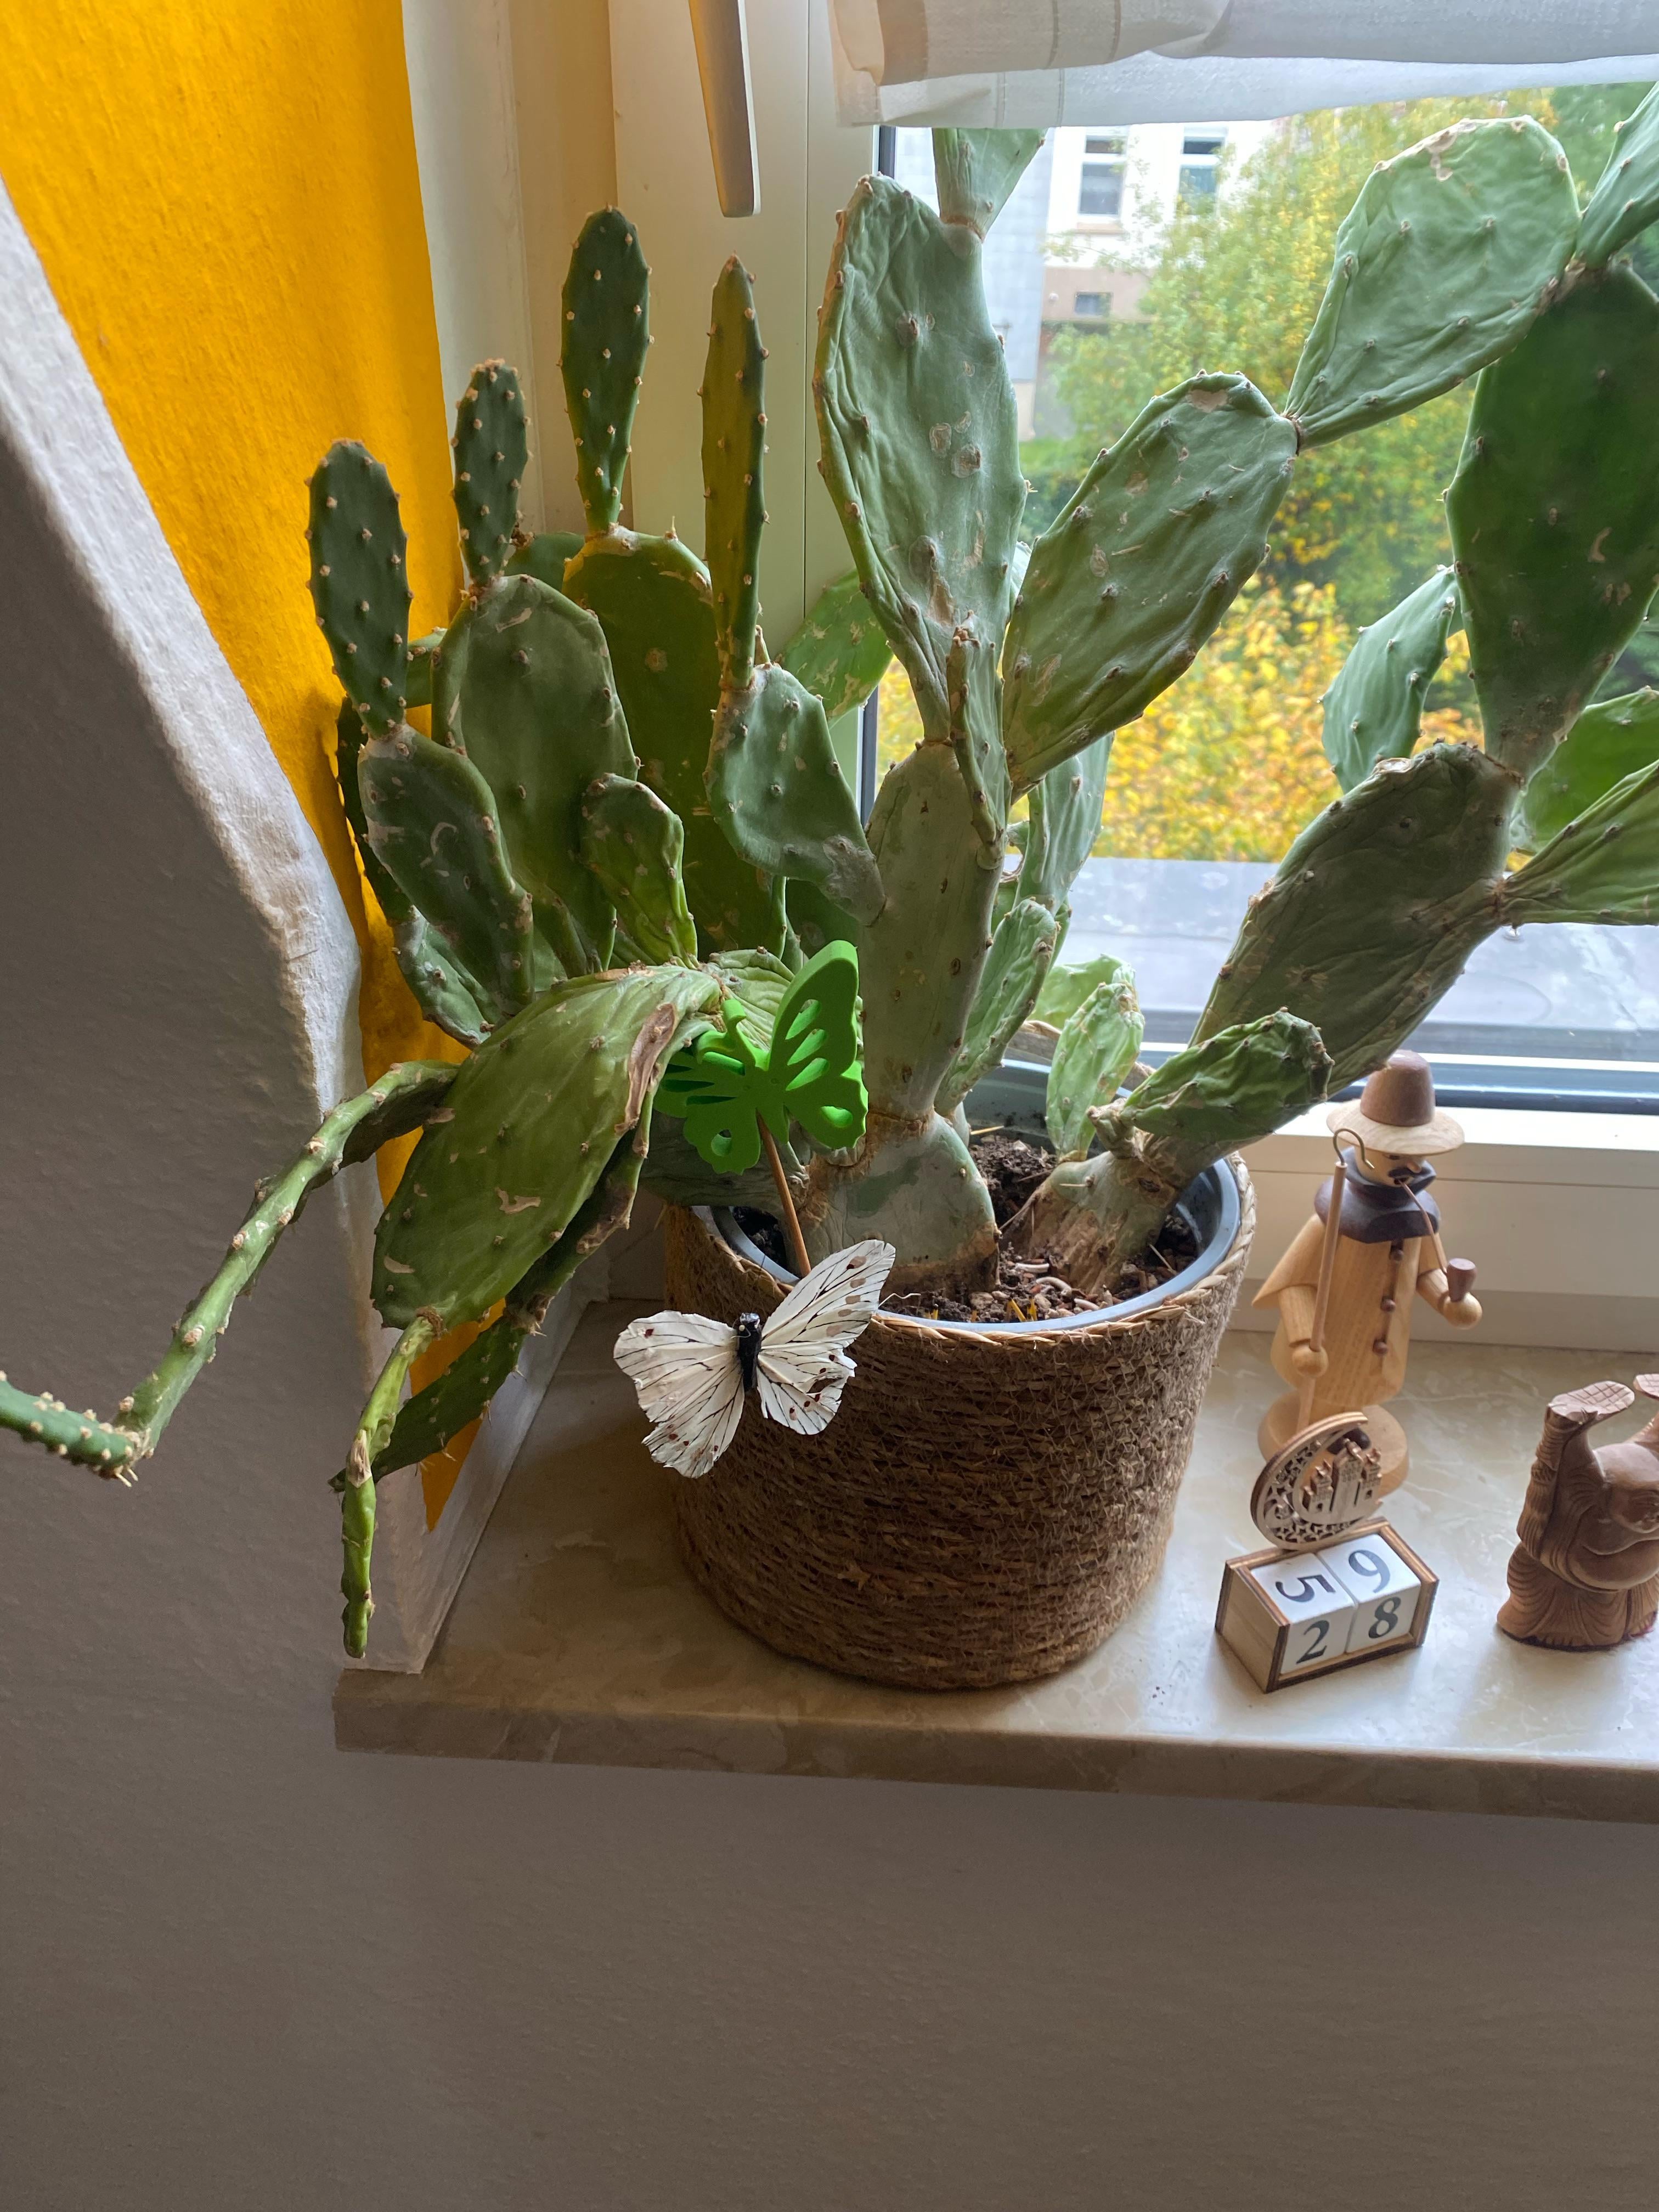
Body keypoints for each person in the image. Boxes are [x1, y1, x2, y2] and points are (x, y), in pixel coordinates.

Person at [1254, 1050, 1481, 1491]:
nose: (1412, 1167)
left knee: (1362, 1389)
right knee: (1327, 1389)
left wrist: (1450, 1299)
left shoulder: (1419, 1215)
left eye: (1418, 1156)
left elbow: (1426, 1273)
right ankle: (1323, 1432)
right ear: (1362, 1147)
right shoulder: (1335, 1217)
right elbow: (1295, 1283)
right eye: (1398, 1155)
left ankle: (1344, 1430)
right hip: (1330, 1340)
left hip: (1382, 1348)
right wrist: (1303, 1340)